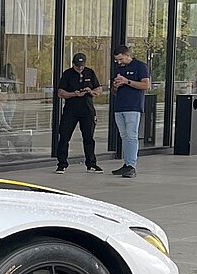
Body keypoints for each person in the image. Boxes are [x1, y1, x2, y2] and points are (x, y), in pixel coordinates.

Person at [54, 52, 102, 173]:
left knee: (88, 137)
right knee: (64, 136)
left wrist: (90, 91)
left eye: (81, 65)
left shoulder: (90, 72)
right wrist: (73, 94)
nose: (80, 68)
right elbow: (60, 93)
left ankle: (91, 163)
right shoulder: (68, 74)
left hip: (87, 110)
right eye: (77, 65)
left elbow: (99, 89)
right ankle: (62, 164)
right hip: (71, 110)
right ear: (73, 64)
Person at [111, 43, 151, 178]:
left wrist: (127, 81)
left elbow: (146, 84)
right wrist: (116, 85)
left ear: (128, 56)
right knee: (124, 136)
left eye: (121, 59)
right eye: (117, 60)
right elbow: (114, 90)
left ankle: (131, 165)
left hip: (133, 106)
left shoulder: (140, 66)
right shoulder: (118, 68)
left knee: (131, 135)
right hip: (119, 106)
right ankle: (127, 163)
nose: (119, 62)